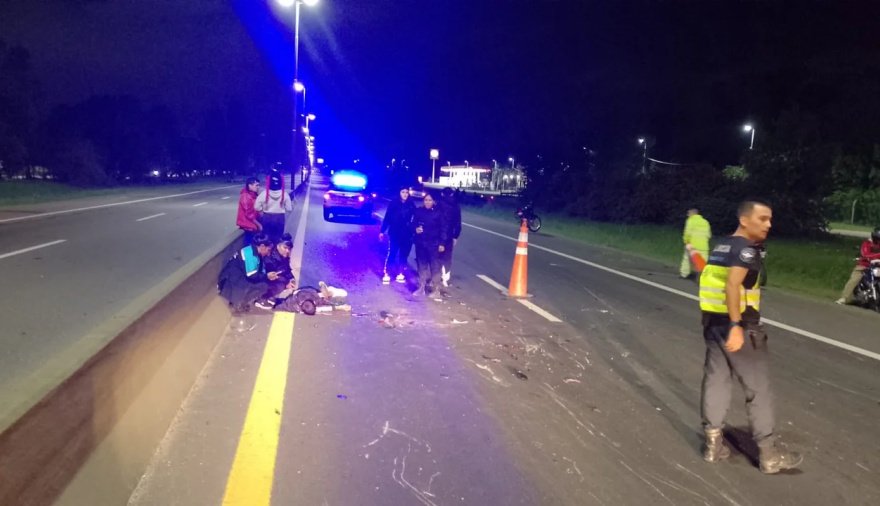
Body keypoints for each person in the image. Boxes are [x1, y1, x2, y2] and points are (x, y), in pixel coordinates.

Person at [698, 200, 802, 474]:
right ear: (744, 220)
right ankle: (769, 454)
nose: (769, 224)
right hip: (741, 326)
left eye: (770, 219)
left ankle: (713, 445)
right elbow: (732, 284)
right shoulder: (746, 250)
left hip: (713, 324)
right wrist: (736, 324)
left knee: (717, 380)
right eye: (763, 219)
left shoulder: (722, 246)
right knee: (758, 389)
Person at [217, 233, 281, 312]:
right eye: (268, 250)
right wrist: (266, 276)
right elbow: (252, 276)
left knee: (262, 281)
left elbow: (260, 268)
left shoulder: (253, 250)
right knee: (263, 286)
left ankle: (239, 298)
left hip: (235, 278)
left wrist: (266, 275)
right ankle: (238, 303)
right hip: (228, 282)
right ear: (262, 246)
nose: (269, 253)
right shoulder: (250, 255)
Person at [410, 193, 447, 297]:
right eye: (426, 200)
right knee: (421, 265)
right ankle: (421, 287)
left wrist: (442, 243)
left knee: (435, 266)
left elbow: (443, 229)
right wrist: (416, 229)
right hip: (421, 243)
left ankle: (436, 289)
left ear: (434, 201)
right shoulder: (419, 211)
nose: (427, 202)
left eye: (430, 200)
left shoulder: (438, 213)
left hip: (434, 244)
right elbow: (413, 224)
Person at [379, 185, 415, 284]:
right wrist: (382, 231)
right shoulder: (393, 203)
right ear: (399, 193)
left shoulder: (411, 205)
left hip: (407, 234)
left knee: (404, 254)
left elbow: (415, 218)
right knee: (392, 252)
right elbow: (387, 217)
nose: (405, 194)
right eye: (403, 192)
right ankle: (387, 273)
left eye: (407, 192)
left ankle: (400, 272)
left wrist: (413, 229)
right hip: (394, 232)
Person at [836, 227, 880, 304]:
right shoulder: (867, 243)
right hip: (864, 265)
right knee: (854, 279)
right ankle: (844, 298)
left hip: (877, 266)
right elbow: (865, 254)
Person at [257, 232, 297, 309]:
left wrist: (291, 278)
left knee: (284, 282)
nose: (287, 251)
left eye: (289, 249)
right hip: (260, 280)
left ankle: (268, 296)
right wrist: (287, 283)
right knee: (281, 284)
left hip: (267, 279)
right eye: (285, 248)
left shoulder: (283, 256)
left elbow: (286, 269)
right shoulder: (270, 257)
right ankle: (261, 299)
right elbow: (274, 274)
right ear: (278, 246)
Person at [256, 170, 293, 243]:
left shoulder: (264, 194)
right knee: (278, 238)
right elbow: (289, 209)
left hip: (267, 218)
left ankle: (268, 249)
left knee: (267, 239)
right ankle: (276, 249)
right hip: (279, 218)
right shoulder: (285, 194)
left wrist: (262, 210)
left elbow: (256, 207)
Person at [438, 187, 462, 287]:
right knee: (447, 257)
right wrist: (455, 236)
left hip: (438, 234)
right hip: (450, 235)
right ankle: (445, 278)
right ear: (452, 194)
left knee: (437, 255)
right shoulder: (456, 206)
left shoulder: (438, 204)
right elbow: (458, 223)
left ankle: (437, 275)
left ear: (442, 194)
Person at [681, 208, 711, 279]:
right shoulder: (705, 222)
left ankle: (684, 274)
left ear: (692, 213)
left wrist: (685, 241)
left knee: (687, 259)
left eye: (688, 213)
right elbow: (709, 235)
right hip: (704, 245)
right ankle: (702, 277)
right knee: (702, 261)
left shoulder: (690, 221)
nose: (687, 215)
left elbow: (687, 233)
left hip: (692, 244)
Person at [236, 177, 262, 245]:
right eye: (256, 185)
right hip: (248, 225)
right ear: (250, 185)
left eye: (258, 185)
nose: (258, 187)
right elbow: (249, 214)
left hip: (251, 224)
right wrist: (259, 225)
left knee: (252, 245)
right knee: (248, 245)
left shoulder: (252, 195)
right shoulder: (245, 196)